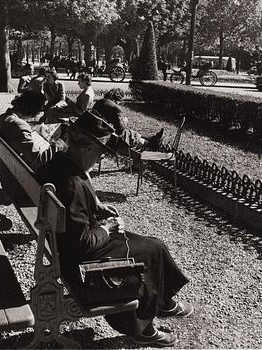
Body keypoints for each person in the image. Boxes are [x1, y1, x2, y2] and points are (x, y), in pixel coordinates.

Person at [36, 111, 193, 347]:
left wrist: (96, 206)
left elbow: (72, 213)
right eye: (100, 153)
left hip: (61, 246)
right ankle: (144, 327)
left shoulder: (59, 164)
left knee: (150, 245)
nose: (99, 160)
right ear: (87, 147)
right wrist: (107, 229)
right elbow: (81, 245)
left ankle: (162, 302)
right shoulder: (72, 183)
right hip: (78, 263)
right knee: (153, 249)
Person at [0, 90, 68, 172]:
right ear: (32, 110)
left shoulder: (2, 118)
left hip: (6, 169)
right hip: (20, 175)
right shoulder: (19, 126)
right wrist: (60, 142)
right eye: (41, 110)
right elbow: (40, 159)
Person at [93, 88, 164, 152]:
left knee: (132, 132)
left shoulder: (99, 103)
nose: (119, 104)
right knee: (131, 135)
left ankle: (153, 138)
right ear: (117, 99)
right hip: (110, 139)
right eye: (119, 102)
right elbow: (120, 130)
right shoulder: (115, 108)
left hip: (97, 134)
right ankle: (151, 144)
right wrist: (125, 121)